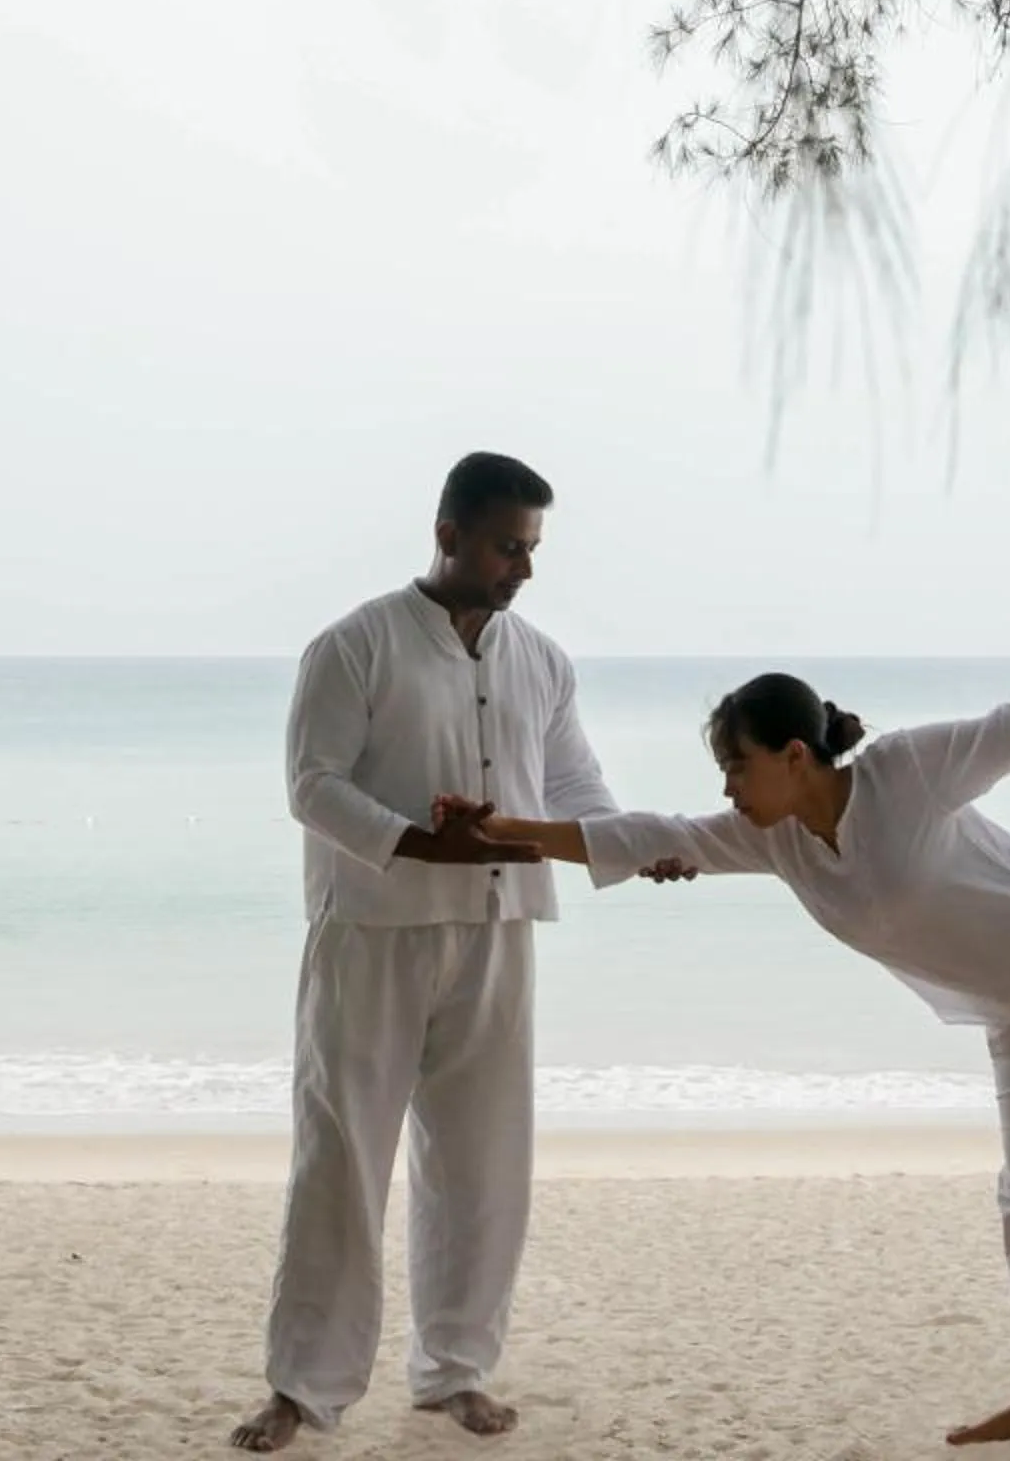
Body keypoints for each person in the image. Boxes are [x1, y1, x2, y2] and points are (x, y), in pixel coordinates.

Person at [452, 629, 1010, 1446]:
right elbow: (650, 834)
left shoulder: (903, 774)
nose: (726, 788)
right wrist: (506, 832)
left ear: (795, 756)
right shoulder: (780, 841)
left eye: (735, 766)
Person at [233, 452, 682, 1453]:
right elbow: (312, 783)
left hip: (500, 926)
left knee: (484, 1165)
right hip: (372, 929)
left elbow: (574, 785)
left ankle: (453, 1371)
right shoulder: (353, 644)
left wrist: (635, 849)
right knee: (341, 1158)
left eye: (531, 549)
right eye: (506, 546)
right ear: (448, 533)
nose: (522, 567)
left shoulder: (543, 659)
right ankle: (304, 1386)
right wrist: (416, 838)